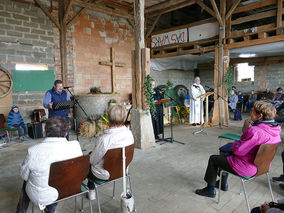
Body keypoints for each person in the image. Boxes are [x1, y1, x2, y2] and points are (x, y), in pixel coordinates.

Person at [195, 101, 281, 198]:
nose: (250, 113)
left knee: (214, 158)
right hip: (263, 167)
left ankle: (210, 189)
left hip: (248, 168)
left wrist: (236, 143)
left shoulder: (256, 131)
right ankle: (223, 183)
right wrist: (247, 127)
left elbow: (238, 151)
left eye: (252, 111)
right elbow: (250, 140)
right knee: (225, 151)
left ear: (259, 116)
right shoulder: (276, 129)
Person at [15, 116, 83, 213]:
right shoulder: (75, 146)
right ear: (66, 132)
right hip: (69, 189)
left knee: (26, 181)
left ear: (45, 131)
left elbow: (24, 175)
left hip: (44, 196)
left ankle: (20, 211)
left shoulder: (33, 151)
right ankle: (51, 209)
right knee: (59, 179)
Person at [87, 105, 134, 200]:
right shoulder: (129, 133)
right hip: (122, 170)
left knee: (87, 161)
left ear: (108, 118)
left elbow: (92, 160)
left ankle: (91, 191)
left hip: (104, 175)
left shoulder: (104, 139)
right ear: (124, 118)